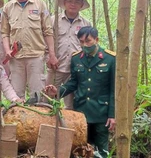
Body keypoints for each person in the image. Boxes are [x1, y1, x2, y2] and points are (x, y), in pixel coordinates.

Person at [45, 26, 116, 157]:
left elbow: (114, 90)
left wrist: (112, 115)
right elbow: (73, 83)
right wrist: (58, 92)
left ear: (96, 39)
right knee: (83, 150)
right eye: (81, 42)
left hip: (101, 112)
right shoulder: (77, 58)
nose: (85, 45)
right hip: (82, 112)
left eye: (88, 41)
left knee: (102, 152)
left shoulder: (110, 59)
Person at [1, 0, 58, 100]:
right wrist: (7, 50)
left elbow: (48, 31)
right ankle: (16, 120)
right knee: (16, 95)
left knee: (37, 94)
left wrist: (52, 54)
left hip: (36, 56)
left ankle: (37, 118)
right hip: (16, 58)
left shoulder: (39, 4)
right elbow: (4, 32)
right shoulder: (8, 7)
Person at [46, 0, 91, 110]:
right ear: (64, 3)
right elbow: (45, 41)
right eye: (70, 0)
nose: (73, 4)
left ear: (81, 5)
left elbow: (89, 46)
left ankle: (67, 127)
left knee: (71, 103)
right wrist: (49, 57)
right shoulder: (53, 20)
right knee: (49, 100)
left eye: (77, 2)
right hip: (55, 66)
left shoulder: (86, 23)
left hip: (75, 70)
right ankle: (50, 126)